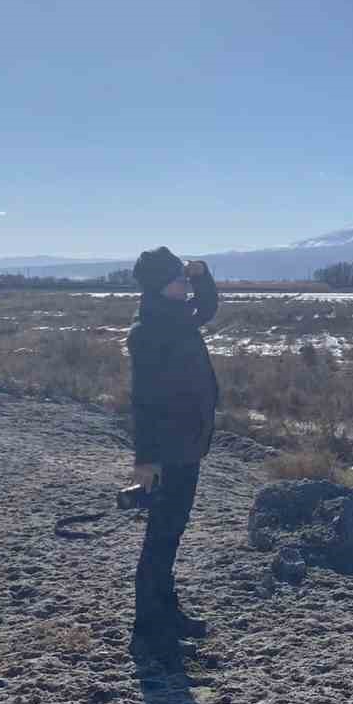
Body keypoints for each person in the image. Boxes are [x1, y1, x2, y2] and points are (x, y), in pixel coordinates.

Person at [126, 246, 219, 642]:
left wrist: (202, 275)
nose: (185, 284)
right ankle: (150, 622)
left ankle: (165, 609)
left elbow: (208, 308)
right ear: (162, 287)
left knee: (172, 530)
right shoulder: (149, 332)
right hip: (167, 448)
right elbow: (143, 401)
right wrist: (146, 460)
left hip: (187, 443)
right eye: (179, 279)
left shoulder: (176, 317)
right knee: (162, 534)